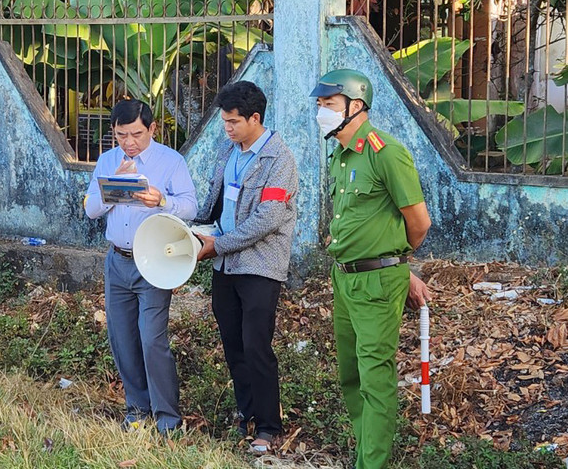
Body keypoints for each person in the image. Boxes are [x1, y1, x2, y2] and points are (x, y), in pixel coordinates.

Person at [310, 69, 432, 469]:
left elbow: (418, 221)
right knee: (351, 376)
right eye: (319, 105)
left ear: (355, 106)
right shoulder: (339, 155)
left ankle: (372, 465)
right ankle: (366, 455)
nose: (321, 113)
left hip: (377, 282)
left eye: (328, 105)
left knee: (375, 377)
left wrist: (397, 261)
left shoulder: (385, 152)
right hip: (344, 277)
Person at [194, 81, 298, 453]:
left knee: (257, 346)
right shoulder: (229, 151)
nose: (228, 128)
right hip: (224, 263)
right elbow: (216, 202)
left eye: (234, 121)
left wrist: (217, 244)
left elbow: (268, 218)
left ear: (255, 118)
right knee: (233, 343)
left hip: (259, 266)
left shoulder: (279, 160)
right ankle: (246, 413)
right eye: (224, 121)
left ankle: (269, 426)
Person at [83, 99, 197, 434]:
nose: (129, 143)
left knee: (151, 339)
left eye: (136, 134)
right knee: (122, 338)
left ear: (152, 129)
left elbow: (191, 206)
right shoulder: (108, 160)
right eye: (121, 135)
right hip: (117, 260)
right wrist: (113, 187)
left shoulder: (170, 161)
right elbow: (90, 209)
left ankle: (168, 419)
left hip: (154, 261)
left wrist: (161, 200)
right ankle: (137, 409)